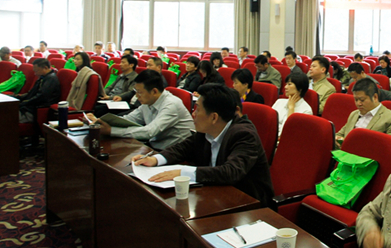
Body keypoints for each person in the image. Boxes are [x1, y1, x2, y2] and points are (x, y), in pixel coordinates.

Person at [131, 83, 274, 207]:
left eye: (197, 109)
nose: (193, 114)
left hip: (248, 204)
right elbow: (183, 148)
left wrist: (183, 172)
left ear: (214, 117)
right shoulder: (207, 130)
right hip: (214, 194)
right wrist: (155, 159)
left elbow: (231, 172)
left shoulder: (244, 134)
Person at [88, 70, 193, 151]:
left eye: (140, 92)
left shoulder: (171, 104)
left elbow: (149, 132)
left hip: (176, 151)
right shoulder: (148, 102)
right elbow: (128, 119)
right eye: (136, 92)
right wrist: (99, 122)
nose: (137, 96)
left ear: (154, 91)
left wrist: (111, 131)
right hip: (155, 145)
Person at [335, 78, 391, 146]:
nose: (358, 103)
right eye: (356, 100)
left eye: (362, 100)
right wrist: (338, 139)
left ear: (375, 97)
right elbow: (340, 134)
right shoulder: (354, 114)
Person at [15, 58, 60, 123]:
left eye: (36, 71)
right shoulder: (42, 78)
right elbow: (31, 93)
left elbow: (41, 97)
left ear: (45, 68)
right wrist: (17, 97)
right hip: (28, 107)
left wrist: (24, 103)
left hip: (34, 110)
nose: (35, 74)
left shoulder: (51, 79)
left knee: (6, 116)